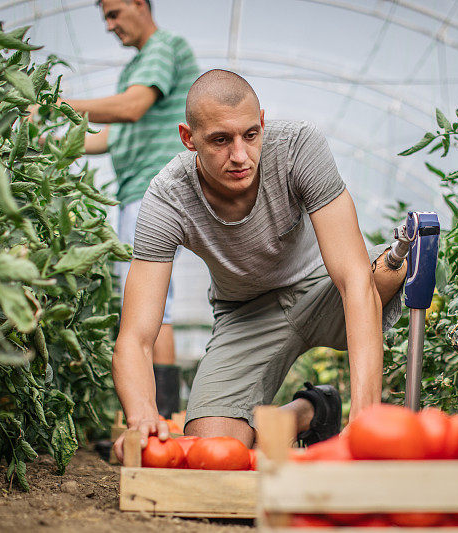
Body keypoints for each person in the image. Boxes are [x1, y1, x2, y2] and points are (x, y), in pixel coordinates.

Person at [112, 69, 406, 460]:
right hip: (245, 314)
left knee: (390, 270)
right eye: (220, 140)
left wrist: (365, 419)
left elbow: (353, 279)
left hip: (324, 290)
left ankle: (348, 413)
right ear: (189, 138)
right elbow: (135, 336)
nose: (239, 155)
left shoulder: (298, 146)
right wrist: (143, 414)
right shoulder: (167, 199)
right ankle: (312, 410)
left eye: (250, 135)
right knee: (214, 448)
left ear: (262, 123)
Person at [60, 0, 199, 417]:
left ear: (141, 4)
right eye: (105, 16)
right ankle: (160, 418)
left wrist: (56, 105)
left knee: (152, 305)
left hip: (153, 190)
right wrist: (49, 144)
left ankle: (161, 419)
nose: (109, 25)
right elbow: (108, 138)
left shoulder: (162, 48)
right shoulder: (139, 65)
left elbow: (131, 107)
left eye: (115, 13)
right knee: (151, 302)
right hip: (142, 190)